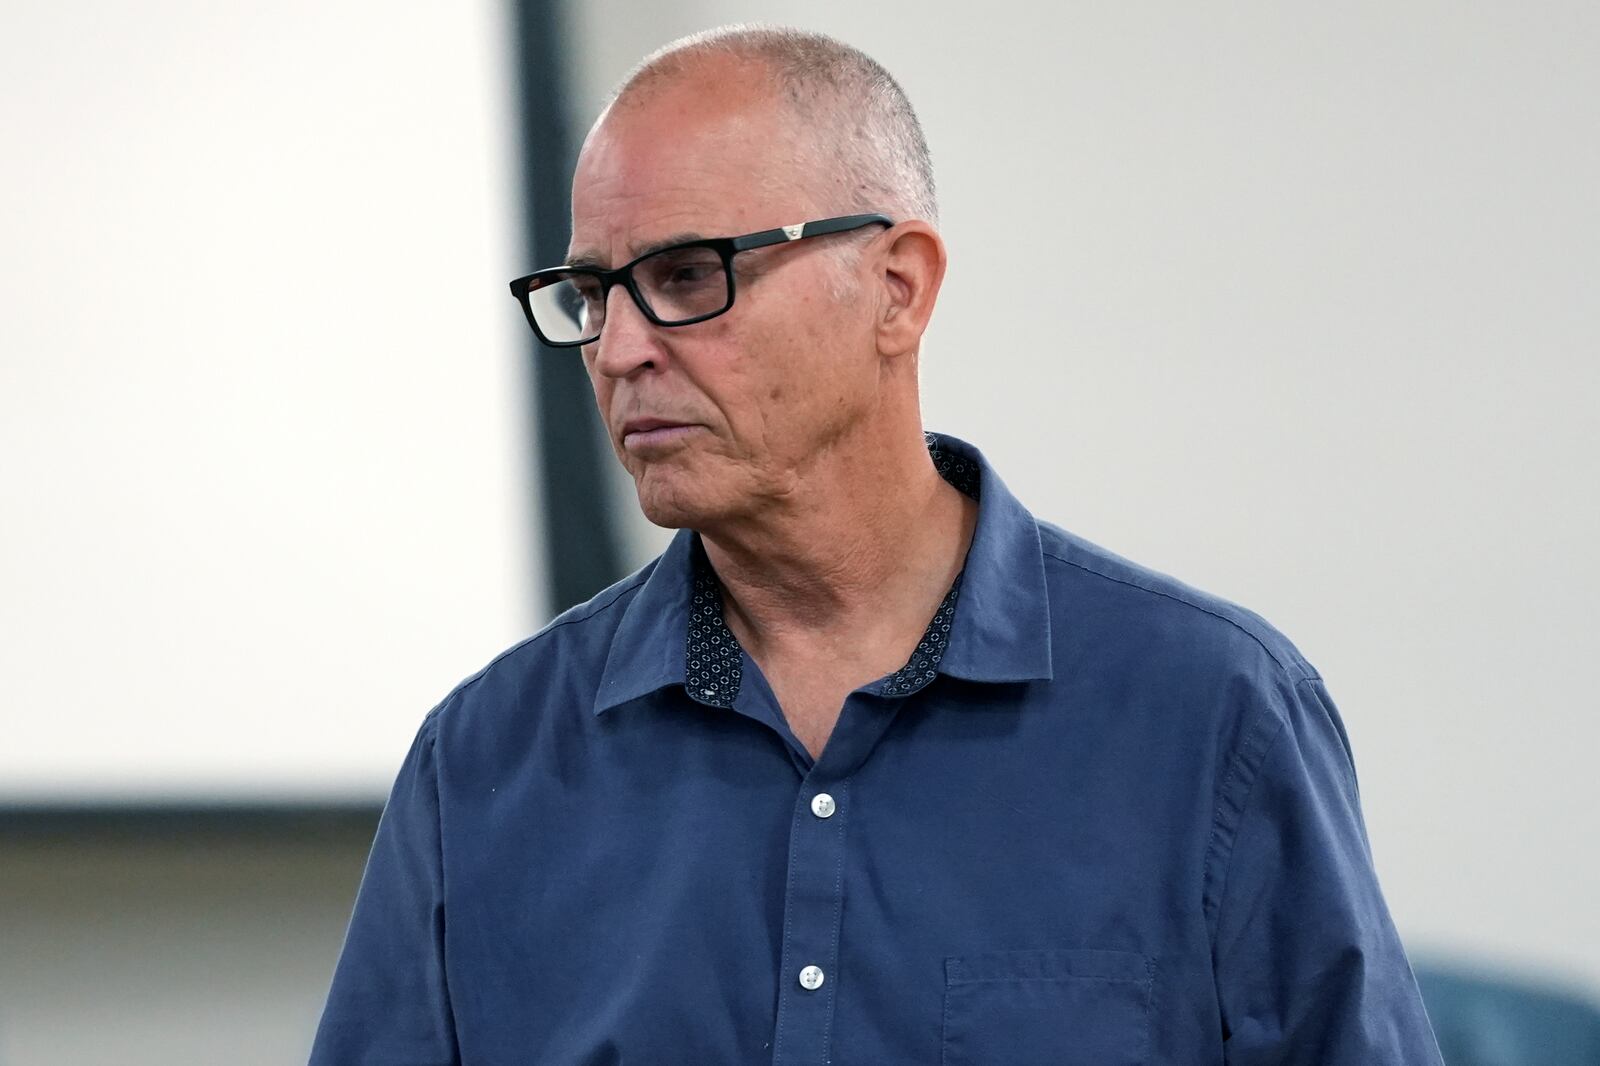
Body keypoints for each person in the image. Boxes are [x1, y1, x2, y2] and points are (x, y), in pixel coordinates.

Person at [312, 25, 1444, 1065]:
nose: (618, 350)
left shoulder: (1211, 716)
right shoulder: (483, 764)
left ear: (897, 290)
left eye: (685, 278)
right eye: (593, 293)